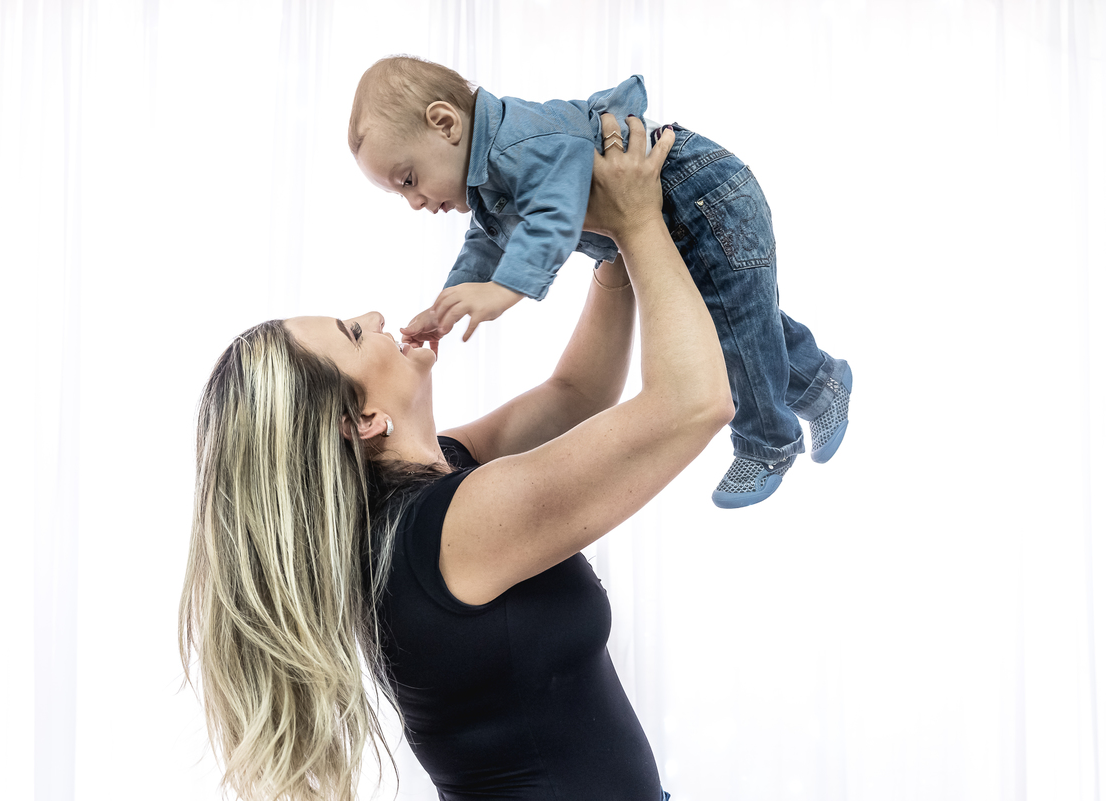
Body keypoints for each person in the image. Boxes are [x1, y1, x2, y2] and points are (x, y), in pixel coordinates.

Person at [179, 115, 729, 801]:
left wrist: (613, 248)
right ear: (362, 421)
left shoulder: (428, 493)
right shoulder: (451, 529)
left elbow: (577, 393)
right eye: (354, 333)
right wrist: (640, 220)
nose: (375, 317)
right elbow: (694, 402)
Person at [348, 55, 852, 508]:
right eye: (400, 194)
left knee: (736, 327)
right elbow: (487, 238)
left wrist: (504, 290)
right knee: (738, 326)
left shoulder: (518, 145)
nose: (414, 202)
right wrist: (448, 302)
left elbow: (554, 214)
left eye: (408, 180)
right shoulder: (489, 179)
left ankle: (768, 442)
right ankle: (821, 384)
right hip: (674, 212)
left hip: (700, 193)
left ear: (445, 123)